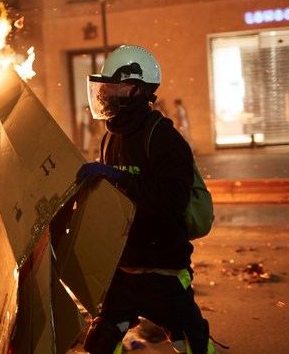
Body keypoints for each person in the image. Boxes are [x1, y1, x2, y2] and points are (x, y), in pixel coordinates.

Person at [75, 45, 213, 354]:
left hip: (163, 272)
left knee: (192, 344)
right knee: (99, 344)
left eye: (112, 84)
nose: (104, 92)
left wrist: (120, 179)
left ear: (134, 87)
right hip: (124, 271)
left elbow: (170, 203)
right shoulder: (111, 137)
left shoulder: (165, 139)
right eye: (103, 85)